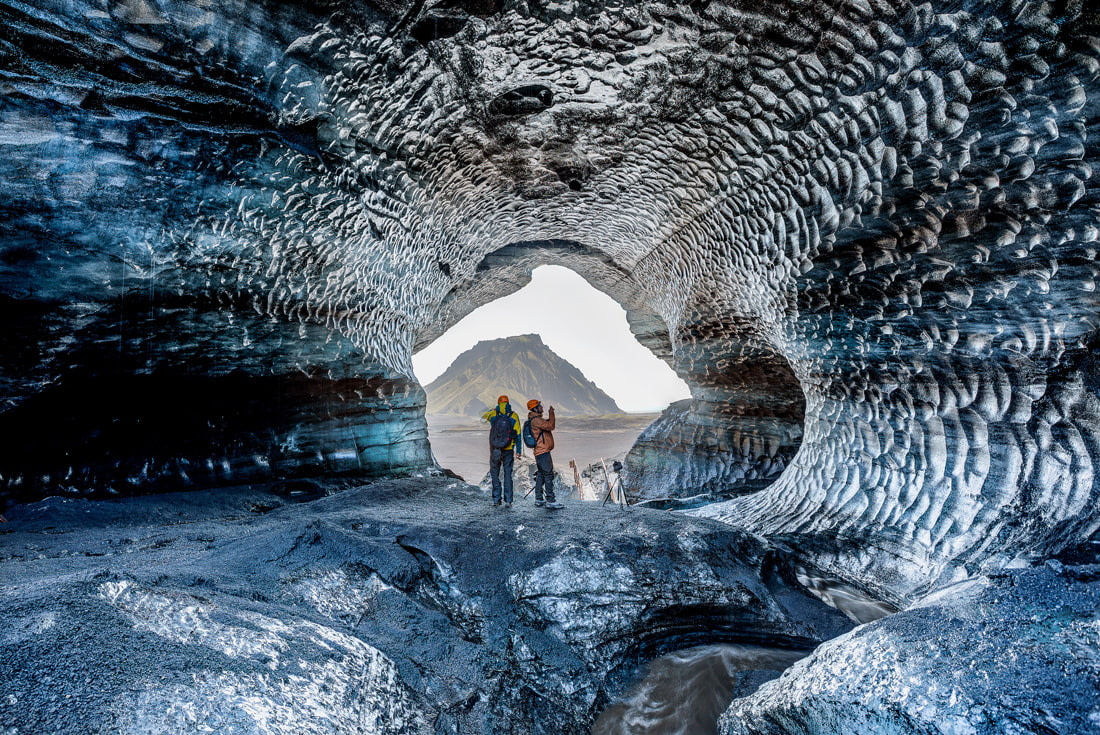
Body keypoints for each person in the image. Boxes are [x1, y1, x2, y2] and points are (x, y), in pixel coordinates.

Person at [482, 395, 522, 507]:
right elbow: (518, 434)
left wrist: (492, 410)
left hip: (495, 448)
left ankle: (496, 500)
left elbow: (482, 416)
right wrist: (518, 450)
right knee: (508, 475)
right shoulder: (514, 415)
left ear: (498, 403)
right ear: (508, 403)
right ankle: (508, 501)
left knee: (495, 474)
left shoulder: (494, 414)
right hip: (508, 449)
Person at [526, 399, 562, 509]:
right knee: (548, 474)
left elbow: (546, 425)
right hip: (543, 451)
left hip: (539, 451)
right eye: (539, 405)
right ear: (535, 408)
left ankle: (539, 499)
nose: (541, 407)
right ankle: (550, 500)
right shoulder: (536, 420)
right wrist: (551, 413)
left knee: (541, 474)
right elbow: (551, 426)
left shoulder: (535, 419)